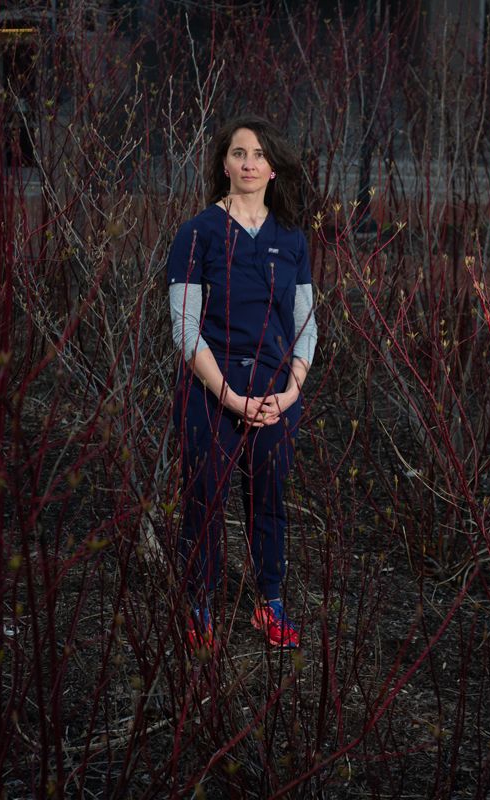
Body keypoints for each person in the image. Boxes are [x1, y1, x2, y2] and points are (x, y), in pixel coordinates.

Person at [165, 115, 317, 651]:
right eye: (238, 153)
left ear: (273, 168)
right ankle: (200, 609)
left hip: (277, 394)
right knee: (204, 497)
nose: (249, 163)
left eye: (258, 154)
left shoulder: (291, 237)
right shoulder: (198, 232)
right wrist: (229, 397)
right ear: (223, 164)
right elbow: (185, 327)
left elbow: (305, 322)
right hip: (213, 391)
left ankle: (269, 605)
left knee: (269, 498)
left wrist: (290, 391)